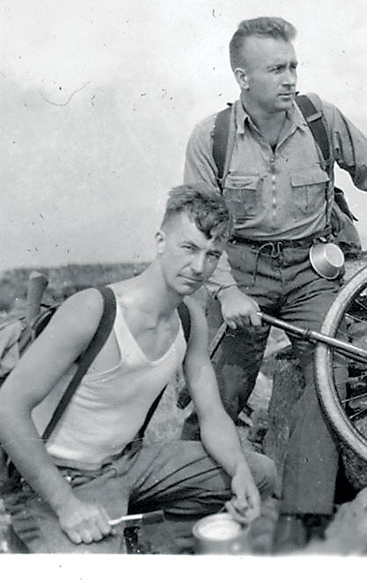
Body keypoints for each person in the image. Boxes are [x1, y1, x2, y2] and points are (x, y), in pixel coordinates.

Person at [181, 16, 367, 551]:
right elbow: (198, 225)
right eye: (275, 69)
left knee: (327, 373)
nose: (289, 79)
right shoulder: (210, 138)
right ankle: (190, 505)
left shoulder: (319, 118)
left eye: (293, 67)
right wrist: (228, 291)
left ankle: (301, 518)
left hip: (312, 270)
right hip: (239, 272)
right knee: (219, 385)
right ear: (242, 77)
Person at [0, 184, 276, 554]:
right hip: (58, 480)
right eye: (189, 248)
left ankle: (153, 543)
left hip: (129, 466)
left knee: (259, 473)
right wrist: (67, 505)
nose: (199, 267)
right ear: (161, 241)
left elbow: (211, 416)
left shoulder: (189, 317)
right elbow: (7, 407)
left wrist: (239, 472)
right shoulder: (93, 310)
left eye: (212, 255)